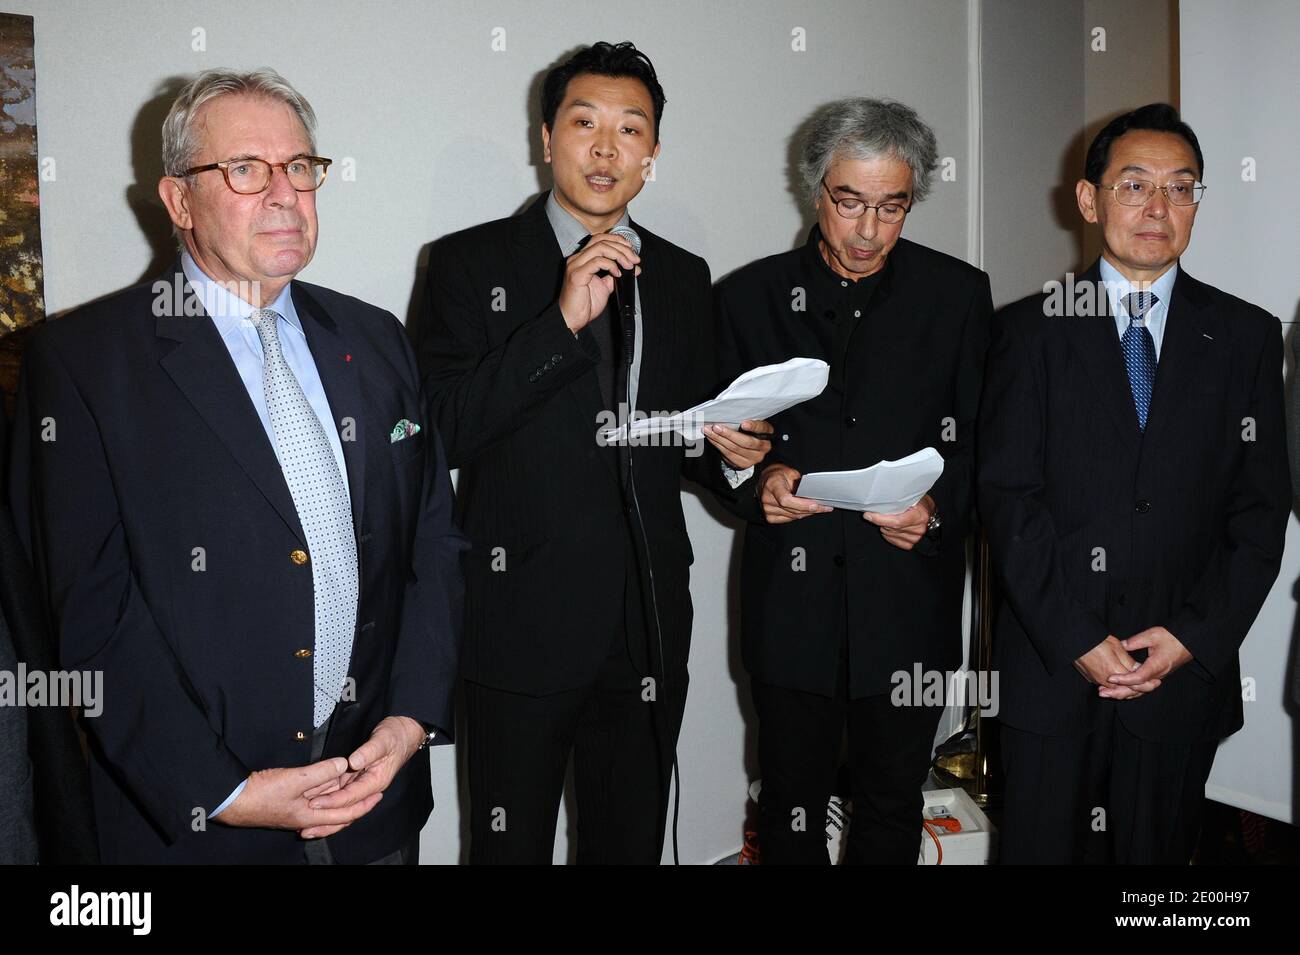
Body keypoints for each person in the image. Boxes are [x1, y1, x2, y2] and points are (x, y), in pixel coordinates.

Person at [8, 68, 465, 864]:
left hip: (376, 802)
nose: (285, 193)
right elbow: (92, 620)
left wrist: (410, 719)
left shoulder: (377, 338)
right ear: (179, 201)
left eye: (300, 167)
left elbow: (432, 543)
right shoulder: (83, 365)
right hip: (199, 826)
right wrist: (228, 793)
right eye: (246, 170)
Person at [414, 41, 770, 864]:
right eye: (585, 123)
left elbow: (688, 441)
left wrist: (734, 451)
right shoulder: (470, 264)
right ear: (546, 138)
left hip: (645, 622)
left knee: (628, 847)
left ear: (652, 154)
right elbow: (439, 429)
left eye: (630, 130)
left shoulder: (683, 277)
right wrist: (559, 325)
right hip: (520, 617)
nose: (606, 148)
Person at [978, 103, 1289, 864]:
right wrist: (1078, 637)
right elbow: (1007, 500)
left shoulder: (1247, 336)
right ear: (1088, 201)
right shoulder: (1026, 331)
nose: (1158, 208)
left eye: (1181, 188)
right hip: (1052, 674)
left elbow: (1260, 510)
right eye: (1135, 185)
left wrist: (1192, 637)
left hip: (1180, 682)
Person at [713, 98, 992, 864]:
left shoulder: (958, 297)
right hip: (791, 610)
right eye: (849, 202)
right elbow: (706, 446)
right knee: (789, 808)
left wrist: (936, 512)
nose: (868, 230)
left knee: (891, 806)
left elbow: (989, 450)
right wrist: (751, 476)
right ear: (815, 189)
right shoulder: (746, 297)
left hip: (908, 603)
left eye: (891, 205)